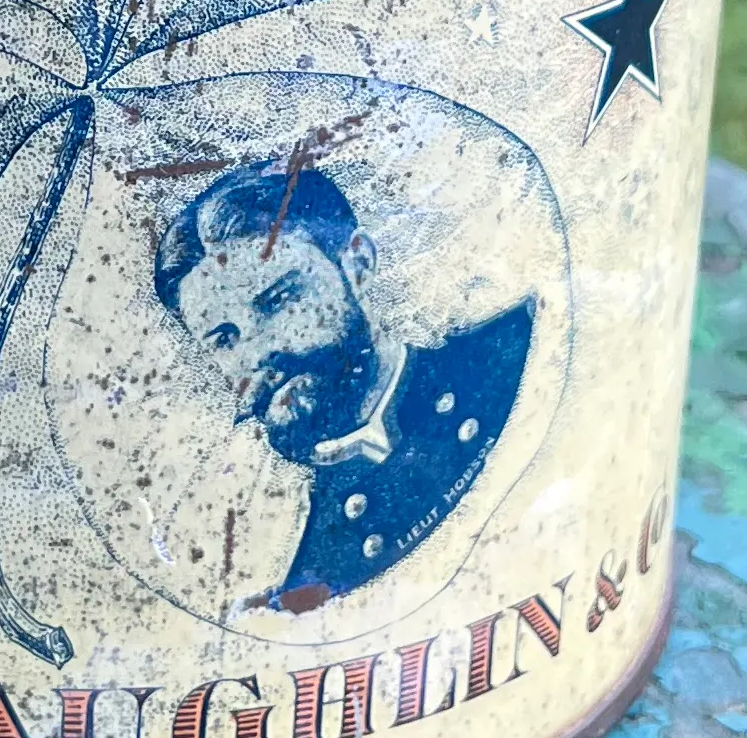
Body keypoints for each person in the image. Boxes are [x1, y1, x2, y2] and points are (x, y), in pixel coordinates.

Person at [153, 155, 533, 604]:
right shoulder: (302, 574)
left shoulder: (515, 353)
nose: (256, 353)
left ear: (357, 264)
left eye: (278, 300)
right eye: (224, 339)